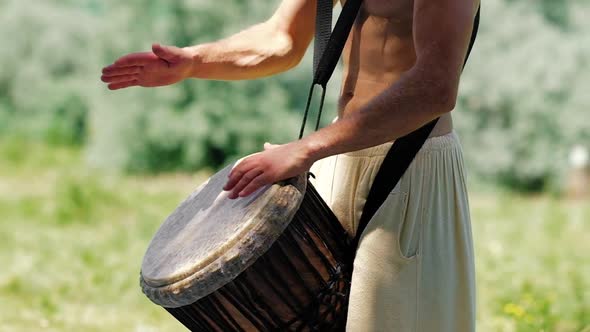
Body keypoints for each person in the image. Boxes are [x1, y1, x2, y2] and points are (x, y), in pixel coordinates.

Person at [101, 0, 479, 330]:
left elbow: (435, 87)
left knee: (397, 319)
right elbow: (282, 38)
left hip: (411, 164)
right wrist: (194, 61)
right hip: (338, 154)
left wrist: (303, 150)